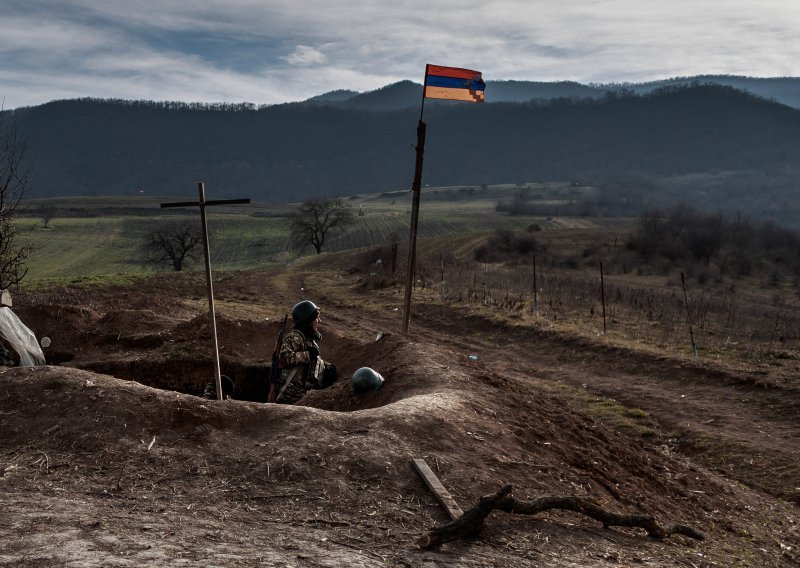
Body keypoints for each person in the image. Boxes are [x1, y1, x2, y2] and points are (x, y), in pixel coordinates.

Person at [275, 300, 337, 403]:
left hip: (304, 397)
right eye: (316, 318)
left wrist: (325, 368)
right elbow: (284, 358)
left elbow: (311, 362)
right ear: (309, 320)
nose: (319, 321)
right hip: (291, 397)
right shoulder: (295, 337)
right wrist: (308, 355)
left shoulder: (308, 339)